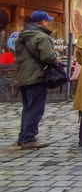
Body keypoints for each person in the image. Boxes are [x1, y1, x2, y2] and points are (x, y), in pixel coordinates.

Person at [13, 10, 59, 149]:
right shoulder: (41, 37)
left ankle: (23, 137)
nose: (48, 23)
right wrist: (56, 57)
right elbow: (48, 57)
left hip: (23, 76)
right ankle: (28, 139)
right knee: (36, 109)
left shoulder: (22, 36)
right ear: (43, 22)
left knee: (28, 108)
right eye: (47, 21)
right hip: (36, 76)